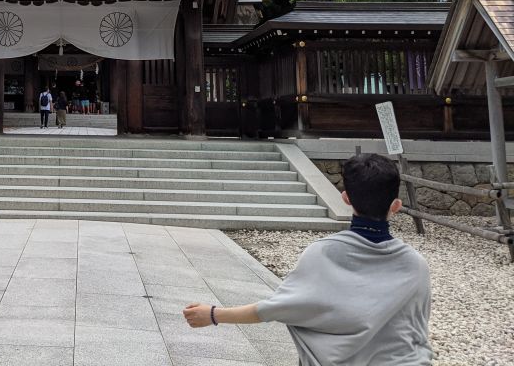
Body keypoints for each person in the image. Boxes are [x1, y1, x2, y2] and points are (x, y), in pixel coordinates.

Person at [182, 152, 432, 366]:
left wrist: (214, 314)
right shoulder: (416, 265)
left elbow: (278, 307)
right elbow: (414, 330)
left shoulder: (322, 253)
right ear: (396, 205)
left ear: (345, 198)